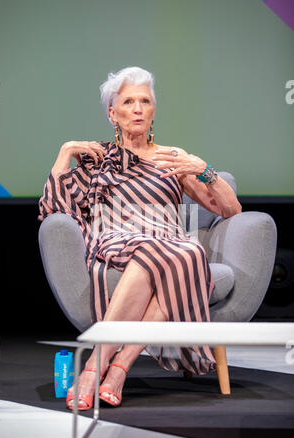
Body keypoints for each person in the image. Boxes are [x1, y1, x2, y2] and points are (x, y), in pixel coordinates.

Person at [38, 66, 242, 410]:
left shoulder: (170, 158)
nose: (137, 108)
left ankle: (110, 368)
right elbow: (54, 207)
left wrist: (202, 169)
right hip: (115, 237)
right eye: (128, 101)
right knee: (180, 253)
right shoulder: (98, 159)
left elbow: (230, 209)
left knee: (186, 251)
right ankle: (102, 367)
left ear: (153, 110)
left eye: (144, 101)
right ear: (112, 112)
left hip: (169, 241)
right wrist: (65, 150)